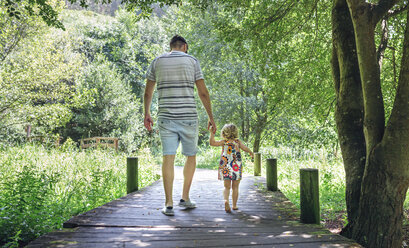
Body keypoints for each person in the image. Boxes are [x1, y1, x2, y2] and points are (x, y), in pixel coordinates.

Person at [143, 35, 216, 216]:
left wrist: (147, 114)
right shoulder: (192, 61)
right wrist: (211, 117)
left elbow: (148, 92)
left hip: (166, 117)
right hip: (188, 117)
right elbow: (203, 93)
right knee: (190, 156)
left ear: (171, 47)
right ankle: (185, 197)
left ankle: (168, 203)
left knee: (168, 157)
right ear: (185, 46)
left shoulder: (157, 62)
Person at [209, 124, 253, 213]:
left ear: (224, 133)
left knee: (226, 187)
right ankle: (234, 205)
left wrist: (212, 133)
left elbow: (212, 143)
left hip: (225, 166)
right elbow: (245, 148)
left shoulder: (224, 142)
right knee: (235, 187)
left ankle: (226, 200)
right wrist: (251, 152)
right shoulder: (237, 142)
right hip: (236, 166)